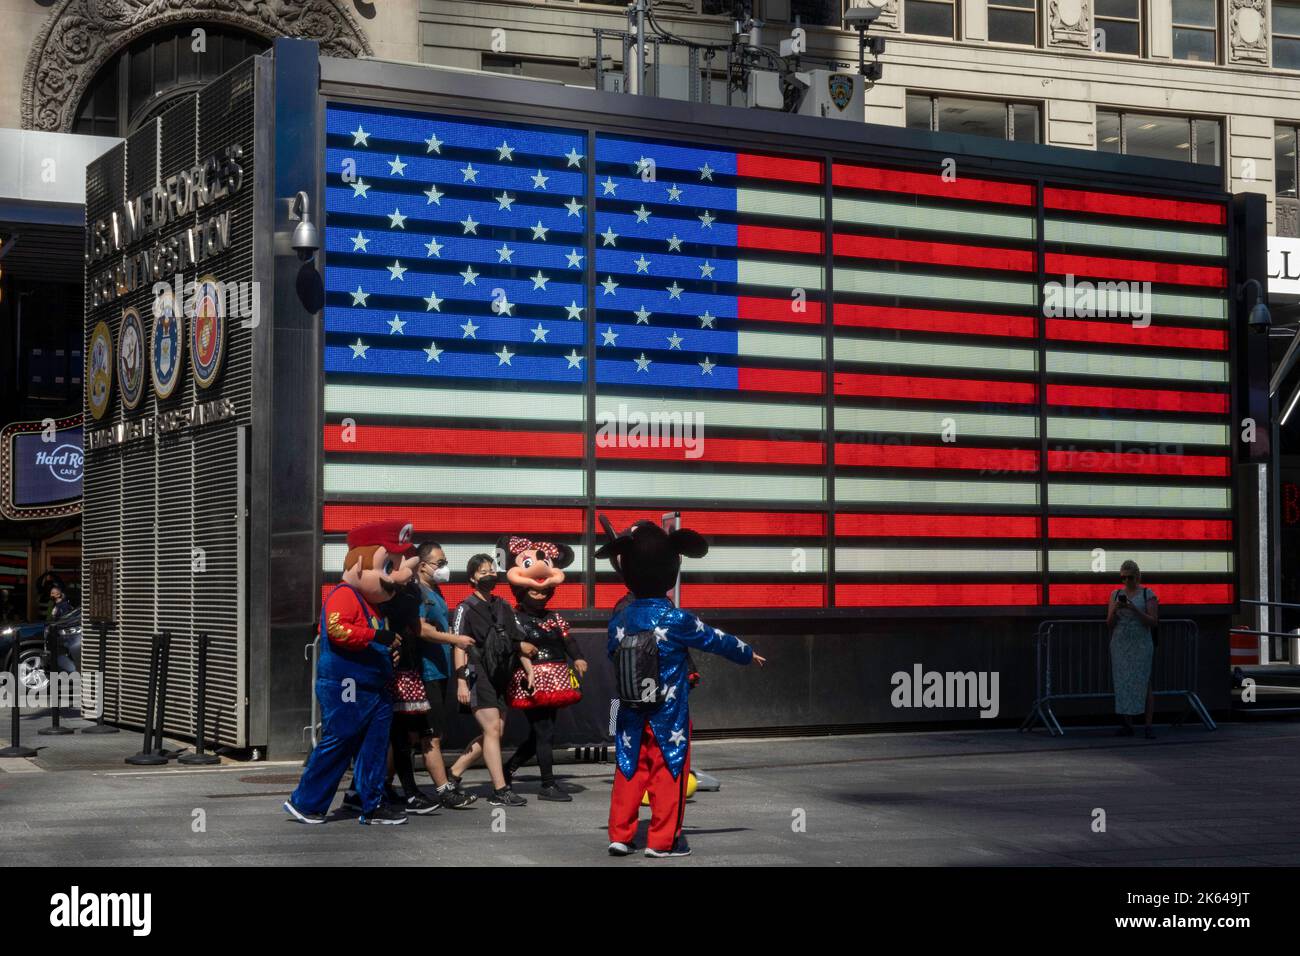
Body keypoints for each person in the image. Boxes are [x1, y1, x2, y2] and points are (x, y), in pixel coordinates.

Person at [596, 518, 765, 858]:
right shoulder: (675, 618)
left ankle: (620, 835)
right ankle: (663, 841)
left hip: (631, 707)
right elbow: (715, 639)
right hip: (668, 712)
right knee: (669, 769)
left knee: (628, 768)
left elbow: (612, 652)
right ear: (670, 569)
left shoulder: (621, 617)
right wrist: (747, 654)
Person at [284, 519, 418, 825]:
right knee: (340, 740)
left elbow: (369, 636)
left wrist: (388, 651)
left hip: (374, 686)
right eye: (388, 566)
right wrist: (377, 638)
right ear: (359, 564)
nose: (395, 578)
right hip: (348, 684)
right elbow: (337, 629)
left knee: (374, 747)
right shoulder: (345, 594)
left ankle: (369, 801)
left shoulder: (374, 606)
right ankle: (306, 802)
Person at [499, 535, 587, 802]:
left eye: (542, 591)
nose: (538, 594)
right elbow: (507, 644)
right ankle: (547, 784)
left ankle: (508, 769)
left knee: (542, 732)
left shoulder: (555, 617)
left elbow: (568, 640)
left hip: (557, 678)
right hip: (531, 678)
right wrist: (521, 652)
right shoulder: (512, 616)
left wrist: (579, 658)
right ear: (521, 590)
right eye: (533, 591)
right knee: (544, 731)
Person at [446, 554, 534, 807]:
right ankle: (500, 789)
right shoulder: (465, 607)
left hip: (500, 674)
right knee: (492, 730)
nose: (489, 575)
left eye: (492, 570)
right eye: (482, 571)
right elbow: (459, 646)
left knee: (494, 731)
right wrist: (462, 680)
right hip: (477, 671)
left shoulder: (503, 605)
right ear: (472, 577)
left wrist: (528, 670)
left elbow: (517, 642)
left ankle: (453, 773)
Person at [413, 541, 476, 808]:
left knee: (425, 734)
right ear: (422, 565)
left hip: (440, 672)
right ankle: (444, 789)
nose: (444, 568)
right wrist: (454, 639)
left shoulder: (435, 591)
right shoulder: (418, 593)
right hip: (425, 673)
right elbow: (421, 629)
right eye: (439, 563)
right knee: (431, 735)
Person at [1107, 559, 1159, 740]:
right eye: (1123, 578)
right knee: (1122, 682)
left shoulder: (1147, 594)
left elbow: (1153, 621)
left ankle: (1148, 725)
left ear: (1137, 577)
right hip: (1120, 643)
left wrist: (1134, 609)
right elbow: (1109, 623)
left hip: (1141, 643)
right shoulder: (1115, 595)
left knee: (1144, 682)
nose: (1126, 581)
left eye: (1129, 577)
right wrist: (1115, 610)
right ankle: (1127, 724)